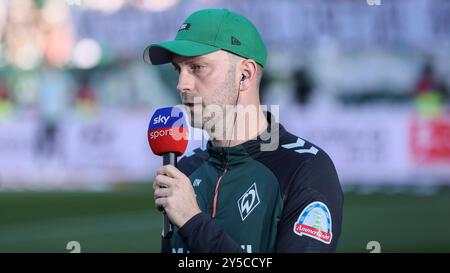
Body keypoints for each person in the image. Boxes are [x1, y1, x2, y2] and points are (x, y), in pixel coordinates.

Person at [143, 9, 343, 253]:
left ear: (244, 75)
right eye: (178, 69)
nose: (181, 84)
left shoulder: (305, 168)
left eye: (197, 67)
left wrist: (193, 222)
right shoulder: (186, 170)